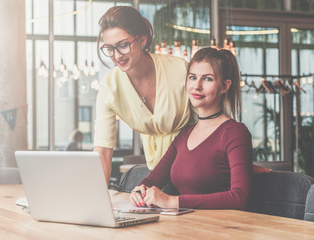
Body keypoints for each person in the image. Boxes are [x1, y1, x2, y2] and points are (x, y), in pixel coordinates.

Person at [94, 6, 269, 184]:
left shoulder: (179, 69)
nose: (116, 56)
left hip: (200, 170)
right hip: (156, 172)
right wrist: (97, 199)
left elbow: (211, 118)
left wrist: (236, 162)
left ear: (142, 40)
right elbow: (103, 152)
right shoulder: (109, 88)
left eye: (123, 45)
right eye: (109, 48)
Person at [130, 47, 252, 210]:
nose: (197, 86)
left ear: (224, 86)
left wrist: (173, 202)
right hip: (184, 226)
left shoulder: (235, 132)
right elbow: (153, 179)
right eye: (192, 78)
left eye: (207, 79)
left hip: (219, 229)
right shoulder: (185, 133)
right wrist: (139, 190)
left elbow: (240, 197)